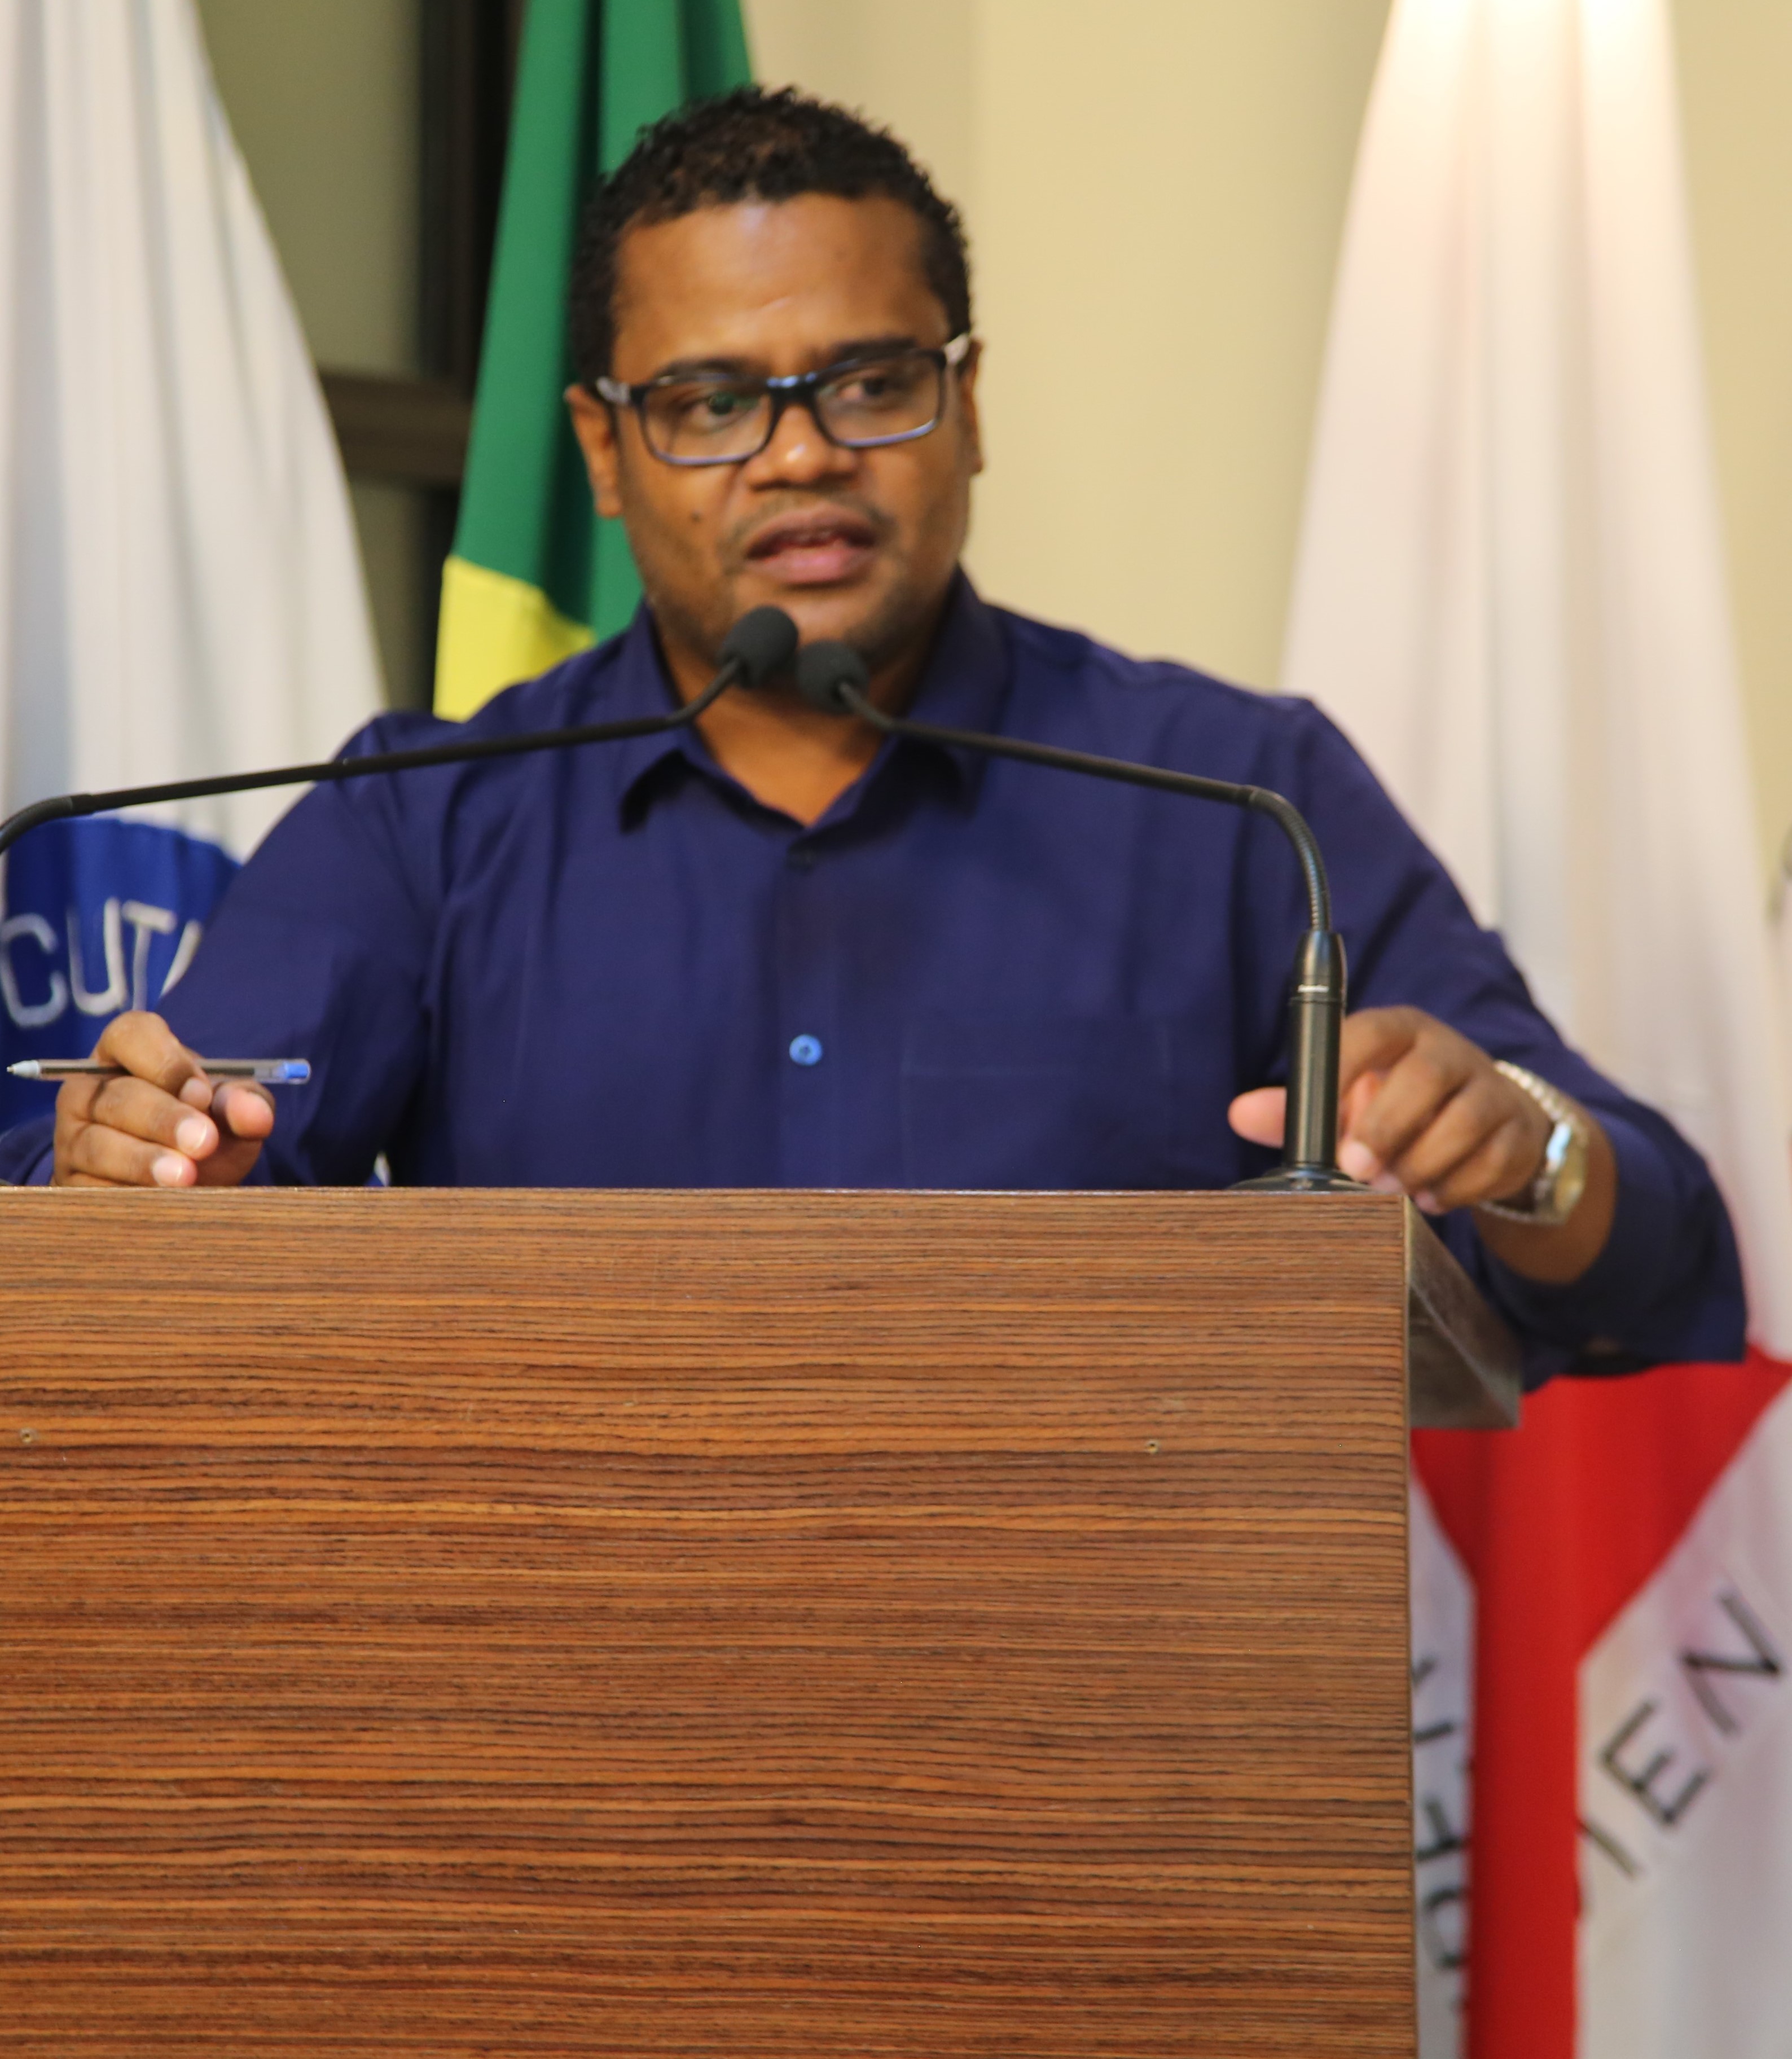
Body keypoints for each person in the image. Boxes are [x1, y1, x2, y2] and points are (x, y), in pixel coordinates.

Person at [2, 87, 1741, 1389]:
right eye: (709, 403)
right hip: (567, 1730)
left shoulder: (1237, 801)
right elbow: (125, 1206)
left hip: (1116, 1740)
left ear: (968, 404)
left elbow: (1659, 1259)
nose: (801, 454)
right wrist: (130, 1166)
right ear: (604, 452)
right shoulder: (427, 819)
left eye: (872, 381)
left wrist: (1528, 1148)